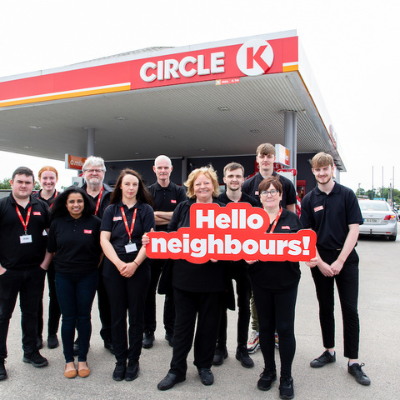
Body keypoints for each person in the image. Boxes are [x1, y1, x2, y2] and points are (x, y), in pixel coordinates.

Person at [300, 152, 371, 386]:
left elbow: (354, 229)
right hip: (320, 259)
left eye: (325, 168)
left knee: (350, 309)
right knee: (325, 307)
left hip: (346, 259)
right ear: (313, 172)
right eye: (317, 170)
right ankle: (329, 351)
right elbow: (307, 235)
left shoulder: (347, 195)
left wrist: (340, 261)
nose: (321, 173)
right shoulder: (310, 199)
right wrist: (320, 263)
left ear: (332, 169)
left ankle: (353, 361)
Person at [156, 166, 227, 391]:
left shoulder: (223, 210)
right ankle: (177, 370)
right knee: (182, 326)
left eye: (207, 183)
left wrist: (221, 254)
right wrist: (155, 240)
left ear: (214, 186)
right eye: (198, 183)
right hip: (184, 279)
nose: (202, 187)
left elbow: (233, 242)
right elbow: (172, 234)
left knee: (208, 326)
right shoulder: (183, 208)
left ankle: (204, 366)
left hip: (212, 279)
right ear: (191, 188)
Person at [246, 176, 301, 399]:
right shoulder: (251, 220)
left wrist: (311, 257)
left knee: (285, 329)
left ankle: (286, 376)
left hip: (286, 281)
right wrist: (245, 256)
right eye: (265, 192)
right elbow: (241, 244)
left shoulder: (292, 218)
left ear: (281, 195)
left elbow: (303, 244)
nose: (269, 195)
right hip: (260, 281)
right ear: (259, 196)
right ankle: (269, 370)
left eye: (273, 191)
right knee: (266, 328)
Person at [100, 169, 155, 382]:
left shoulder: (146, 210)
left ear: (139, 187)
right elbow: (104, 239)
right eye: (127, 184)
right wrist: (119, 263)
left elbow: (148, 240)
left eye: (135, 184)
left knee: (136, 316)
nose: (131, 188)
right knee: (116, 316)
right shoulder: (110, 209)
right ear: (120, 186)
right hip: (114, 269)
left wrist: (133, 264)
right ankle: (120, 360)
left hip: (139, 268)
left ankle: (133, 360)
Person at [242, 143, 297, 354]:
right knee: (257, 294)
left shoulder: (286, 184)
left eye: (269, 156)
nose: (265, 160)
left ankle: (275, 332)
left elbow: (292, 216)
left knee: (281, 292)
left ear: (274, 158)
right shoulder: (249, 184)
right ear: (257, 159)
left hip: (281, 249)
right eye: (262, 156)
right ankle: (256, 330)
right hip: (256, 249)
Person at [0, 167, 52, 380]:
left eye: (28, 182)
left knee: (31, 313)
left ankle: (30, 351)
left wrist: (44, 265)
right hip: (8, 271)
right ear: (12, 182)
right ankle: (0, 359)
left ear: (33, 185)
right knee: (3, 315)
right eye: (20, 181)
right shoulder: (2, 206)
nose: (23, 186)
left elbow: (52, 237)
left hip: (34, 271)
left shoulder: (41, 206)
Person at [47, 187, 102, 379]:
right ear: (65, 203)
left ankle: (82, 359)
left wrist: (91, 267)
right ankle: (69, 360)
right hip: (63, 276)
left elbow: (101, 251)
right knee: (68, 318)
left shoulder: (95, 223)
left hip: (88, 276)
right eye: (71, 201)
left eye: (79, 201)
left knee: (84, 316)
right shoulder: (57, 223)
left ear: (85, 202)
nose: (76, 205)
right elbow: (52, 249)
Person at [213, 162, 259, 369]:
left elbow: (259, 235)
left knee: (244, 307)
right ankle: (220, 347)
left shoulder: (253, 204)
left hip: (244, 264)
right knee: (220, 305)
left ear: (243, 179)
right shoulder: (215, 203)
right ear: (224, 179)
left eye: (238, 176)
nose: (234, 179)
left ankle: (241, 348)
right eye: (230, 176)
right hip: (221, 263)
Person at [143, 155, 186, 349]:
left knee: (171, 290)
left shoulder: (179, 191)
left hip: (172, 247)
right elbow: (147, 218)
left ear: (171, 169)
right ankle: (148, 331)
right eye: (159, 168)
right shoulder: (147, 191)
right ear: (154, 169)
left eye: (165, 168)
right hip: (151, 248)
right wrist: (170, 217)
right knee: (148, 290)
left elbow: (183, 217)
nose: (162, 171)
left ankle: (170, 330)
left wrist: (158, 215)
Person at [81, 156, 113, 353]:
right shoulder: (72, 195)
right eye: (90, 170)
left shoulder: (113, 196)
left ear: (103, 173)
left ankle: (108, 337)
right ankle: (81, 338)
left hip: (107, 257)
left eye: (98, 170)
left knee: (107, 301)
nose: (94, 173)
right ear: (83, 173)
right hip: (82, 257)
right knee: (81, 302)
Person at [33, 166, 61, 350]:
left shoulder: (62, 199)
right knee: (35, 296)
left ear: (56, 179)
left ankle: (52, 333)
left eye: (52, 178)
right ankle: (37, 334)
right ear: (39, 179)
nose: (48, 182)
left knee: (55, 295)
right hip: (35, 254)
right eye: (45, 178)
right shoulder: (32, 198)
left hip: (57, 255)